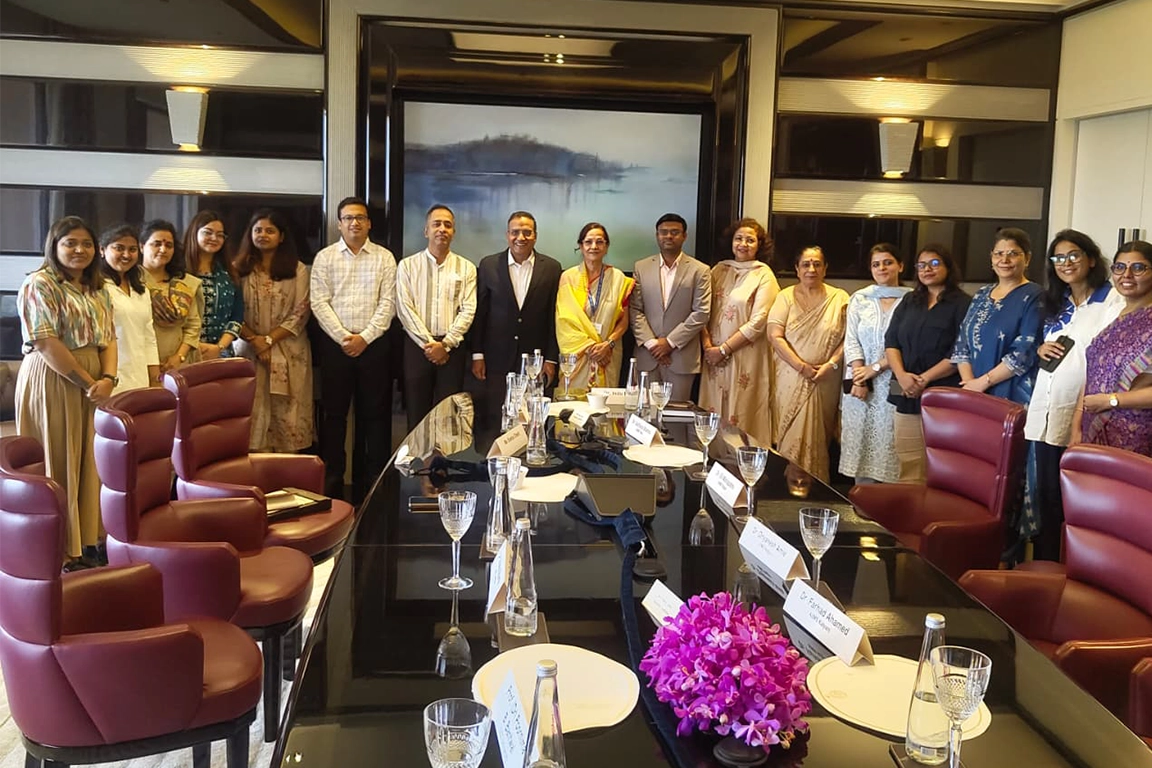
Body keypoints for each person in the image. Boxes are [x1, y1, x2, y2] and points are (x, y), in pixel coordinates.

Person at [15, 216, 116, 569]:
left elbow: (109, 337)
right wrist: (89, 383)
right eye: (70, 243)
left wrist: (108, 378)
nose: (79, 250)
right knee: (57, 459)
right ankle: (56, 549)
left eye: (86, 244)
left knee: (90, 461)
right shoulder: (39, 283)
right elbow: (45, 342)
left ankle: (86, 541)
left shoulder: (98, 287)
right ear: (54, 246)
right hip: (54, 377)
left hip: (95, 381)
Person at [1022, 230, 1120, 560]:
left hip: (1083, 412)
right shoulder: (1056, 302)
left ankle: (1076, 565)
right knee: (1047, 493)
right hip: (1046, 409)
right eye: (1059, 258)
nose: (1066, 263)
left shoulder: (1112, 301)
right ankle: (1046, 563)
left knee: (1077, 497)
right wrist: (1041, 348)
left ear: (1091, 259)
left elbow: (1107, 359)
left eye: (1074, 255)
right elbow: (1050, 346)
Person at [311, 196, 397, 501]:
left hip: (374, 346)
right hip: (335, 347)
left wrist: (365, 337)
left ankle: (374, 481)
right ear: (339, 224)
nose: (355, 223)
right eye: (348, 218)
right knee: (334, 416)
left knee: (375, 415)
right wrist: (344, 337)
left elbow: (389, 303)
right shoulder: (325, 258)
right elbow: (319, 302)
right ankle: (333, 479)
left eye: (360, 218)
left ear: (369, 223)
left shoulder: (385, 258)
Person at [885, 245, 971, 482]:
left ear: (948, 267)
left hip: (942, 392)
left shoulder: (963, 304)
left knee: (942, 465)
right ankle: (909, 504)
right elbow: (891, 341)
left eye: (934, 264)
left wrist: (924, 379)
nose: (927, 270)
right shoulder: (909, 300)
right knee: (908, 462)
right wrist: (902, 376)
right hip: (903, 388)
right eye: (921, 265)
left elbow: (961, 351)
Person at [234, 209, 313, 453]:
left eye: (270, 231)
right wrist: (255, 341)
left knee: (288, 417)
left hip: (289, 351)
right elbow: (231, 312)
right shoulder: (238, 268)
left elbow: (301, 312)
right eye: (258, 230)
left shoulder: (297, 269)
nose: (263, 235)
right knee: (251, 414)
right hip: (248, 351)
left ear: (281, 237)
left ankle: (285, 473)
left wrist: (268, 340)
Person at [469, 211, 562, 421]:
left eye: (527, 232)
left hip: (535, 362)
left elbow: (553, 317)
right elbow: (480, 314)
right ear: (507, 235)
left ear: (535, 236)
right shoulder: (488, 265)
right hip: (496, 359)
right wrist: (477, 355)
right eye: (515, 232)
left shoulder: (552, 268)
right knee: (496, 417)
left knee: (532, 419)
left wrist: (550, 359)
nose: (521, 237)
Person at [768, 246, 849, 482]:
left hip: (826, 378)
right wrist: (800, 366)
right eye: (805, 264)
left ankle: (817, 487)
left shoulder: (840, 298)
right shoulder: (785, 297)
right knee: (791, 433)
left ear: (825, 268)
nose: (811, 269)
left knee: (819, 435)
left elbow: (849, 338)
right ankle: (787, 485)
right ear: (797, 269)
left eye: (817, 264)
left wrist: (832, 364)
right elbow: (774, 335)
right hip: (791, 375)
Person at [395, 204, 477, 430]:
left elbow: (468, 309)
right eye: (436, 224)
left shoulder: (467, 268)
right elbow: (404, 308)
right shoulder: (407, 266)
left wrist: (446, 344)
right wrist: (430, 344)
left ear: (453, 232)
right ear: (426, 231)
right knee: (416, 413)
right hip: (417, 348)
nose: (442, 229)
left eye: (447, 225)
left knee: (448, 415)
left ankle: (443, 455)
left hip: (452, 350)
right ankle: (417, 454)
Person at [699, 217, 779, 446]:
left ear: (759, 245)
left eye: (750, 240)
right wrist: (708, 347)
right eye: (739, 239)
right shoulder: (718, 270)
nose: (743, 244)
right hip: (712, 357)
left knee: (741, 412)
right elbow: (701, 310)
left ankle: (743, 462)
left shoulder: (764, 275)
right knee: (712, 414)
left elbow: (759, 322)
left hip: (744, 355)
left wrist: (724, 350)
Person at [839, 244, 911, 484]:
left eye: (888, 262)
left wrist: (876, 367)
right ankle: (861, 502)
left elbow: (909, 344)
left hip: (896, 380)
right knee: (860, 444)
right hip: (861, 383)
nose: (882, 268)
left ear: (900, 266)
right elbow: (851, 341)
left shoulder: (913, 300)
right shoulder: (860, 298)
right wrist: (860, 379)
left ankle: (889, 502)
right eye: (876, 264)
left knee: (890, 442)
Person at [1073, 240, 1152, 456]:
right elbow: (1093, 372)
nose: (1127, 275)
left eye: (1138, 268)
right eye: (1119, 267)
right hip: (1094, 427)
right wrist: (1076, 425)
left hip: (1138, 436)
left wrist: (1112, 401)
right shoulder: (1113, 314)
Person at [951, 227, 1043, 405]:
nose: (1004, 260)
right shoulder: (981, 294)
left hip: (1010, 393)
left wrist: (983, 383)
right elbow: (962, 342)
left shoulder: (1035, 295)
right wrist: (970, 384)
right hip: (972, 391)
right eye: (999, 254)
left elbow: (1025, 350)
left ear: (1027, 258)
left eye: (1013, 254)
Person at [629, 213, 712, 402]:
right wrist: (653, 344)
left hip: (681, 357)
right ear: (657, 235)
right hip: (647, 356)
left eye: (674, 232)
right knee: (644, 413)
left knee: (676, 414)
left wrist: (670, 343)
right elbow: (635, 309)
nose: (668, 236)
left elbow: (701, 313)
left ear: (684, 236)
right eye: (663, 232)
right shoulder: (641, 267)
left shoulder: (700, 270)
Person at [555, 222, 634, 397]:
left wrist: (608, 344)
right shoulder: (568, 278)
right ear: (581, 246)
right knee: (573, 406)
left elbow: (624, 320)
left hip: (609, 354)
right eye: (588, 242)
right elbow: (564, 322)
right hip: (577, 356)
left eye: (599, 242)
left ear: (606, 247)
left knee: (604, 407)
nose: (594, 246)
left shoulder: (618, 278)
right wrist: (592, 348)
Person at [99, 223, 160, 393]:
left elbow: (149, 336)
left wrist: (155, 379)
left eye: (132, 249)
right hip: (108, 376)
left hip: (139, 374)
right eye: (119, 248)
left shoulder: (141, 289)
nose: (126, 255)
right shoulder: (96, 288)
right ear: (102, 250)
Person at [140, 219, 203, 374]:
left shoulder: (185, 284)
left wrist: (178, 357)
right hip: (139, 362)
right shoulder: (130, 283)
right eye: (156, 244)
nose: (163, 249)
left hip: (178, 363)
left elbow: (193, 326)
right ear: (141, 247)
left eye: (169, 245)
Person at [184, 209, 244, 360]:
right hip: (183, 353)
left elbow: (237, 316)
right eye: (208, 232)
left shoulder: (230, 274)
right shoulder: (178, 271)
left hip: (221, 354)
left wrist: (219, 347)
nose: (214, 238)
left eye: (220, 235)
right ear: (194, 232)